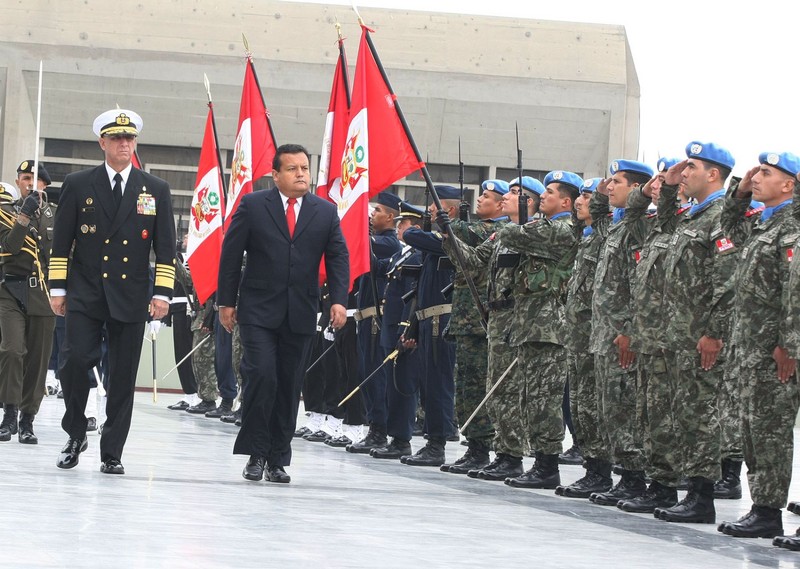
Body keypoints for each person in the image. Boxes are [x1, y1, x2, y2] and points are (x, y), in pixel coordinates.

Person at [49, 109, 176, 475]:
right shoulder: (78, 184)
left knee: (122, 376)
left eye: (130, 138)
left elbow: (165, 248)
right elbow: (61, 244)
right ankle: (75, 433)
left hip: (131, 294)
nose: (124, 143)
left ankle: (112, 451)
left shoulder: (155, 189)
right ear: (102, 142)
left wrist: (162, 294)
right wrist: (58, 288)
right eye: (117, 138)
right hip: (86, 291)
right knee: (73, 362)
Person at [217, 143, 349, 484]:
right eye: (292, 169)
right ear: (275, 175)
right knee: (262, 375)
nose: (301, 174)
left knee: (290, 385)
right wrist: (226, 302)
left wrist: (338, 299)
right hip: (258, 311)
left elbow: (337, 257)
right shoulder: (253, 205)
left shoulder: (324, 211)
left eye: (304, 168)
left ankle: (278, 457)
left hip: (301, 312)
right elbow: (231, 257)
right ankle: (256, 453)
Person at [716, 152, 800, 538]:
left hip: (775, 352)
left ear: (790, 185)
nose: (758, 178)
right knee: (754, 430)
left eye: (767, 174)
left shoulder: (792, 228)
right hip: (750, 348)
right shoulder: (763, 226)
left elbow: (794, 294)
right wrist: (740, 189)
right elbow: (727, 227)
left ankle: (768, 511)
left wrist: (789, 344)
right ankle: (762, 508)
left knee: (770, 433)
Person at [653, 141, 737, 524]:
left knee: (701, 415)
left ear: (713, 174)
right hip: (677, 335)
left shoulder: (722, 218)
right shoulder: (690, 216)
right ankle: (690, 490)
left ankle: (702, 497)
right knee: (683, 414)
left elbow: (727, 281)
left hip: (701, 337)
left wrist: (715, 333)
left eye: (691, 168)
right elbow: (665, 225)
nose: (683, 172)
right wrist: (670, 188)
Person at [499, 170, 580, 489]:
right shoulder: (545, 226)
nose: (543, 196)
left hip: (551, 326)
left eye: (550, 192)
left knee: (544, 399)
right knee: (530, 397)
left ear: (566, 201)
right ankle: (539, 461)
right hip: (531, 324)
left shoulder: (563, 228)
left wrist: (520, 216)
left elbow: (512, 236)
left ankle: (547, 465)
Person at [588, 159, 653, 507]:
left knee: (626, 408)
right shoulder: (614, 227)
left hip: (622, 335)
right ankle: (623, 475)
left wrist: (629, 329)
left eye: (617, 182)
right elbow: (596, 218)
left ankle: (634, 476)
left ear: (636, 189)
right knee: (609, 408)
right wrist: (600, 194)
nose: (609, 186)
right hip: (604, 333)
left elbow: (641, 284)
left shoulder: (639, 224)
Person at [440, 179, 507, 474]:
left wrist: (453, 225)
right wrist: (452, 228)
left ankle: (483, 446)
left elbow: (468, 237)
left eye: (488, 197)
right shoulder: (482, 233)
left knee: (479, 386)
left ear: (503, 204)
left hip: (482, 322)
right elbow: (463, 259)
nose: (481, 200)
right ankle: (474, 446)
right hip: (466, 320)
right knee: (465, 386)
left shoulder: (499, 231)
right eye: (480, 195)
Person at [556, 177, 615, 498]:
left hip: (598, 335)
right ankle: (593, 470)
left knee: (596, 407)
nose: (579, 201)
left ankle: (603, 471)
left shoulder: (607, 234)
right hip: (578, 336)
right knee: (580, 406)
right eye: (578, 196)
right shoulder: (585, 237)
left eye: (589, 196)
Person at [0, 160, 57, 444]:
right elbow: (9, 246)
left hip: (44, 293)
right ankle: (8, 413)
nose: (29, 184)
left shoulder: (56, 216)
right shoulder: (7, 212)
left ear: (45, 184)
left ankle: (27, 418)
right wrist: (23, 216)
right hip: (11, 290)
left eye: (35, 180)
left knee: (38, 359)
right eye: (24, 178)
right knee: (11, 350)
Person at [346, 192, 401, 453]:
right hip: (365, 318)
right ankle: (373, 428)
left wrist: (356, 223)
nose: (372, 215)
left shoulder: (389, 243)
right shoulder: (376, 240)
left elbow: (363, 247)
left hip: (377, 319)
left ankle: (379, 430)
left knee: (375, 377)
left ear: (390, 217)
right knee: (366, 375)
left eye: (377, 211)